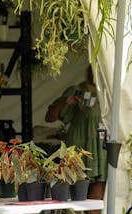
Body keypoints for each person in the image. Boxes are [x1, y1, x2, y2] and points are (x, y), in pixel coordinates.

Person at [45, 66, 106, 201]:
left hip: (100, 152)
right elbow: (50, 117)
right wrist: (65, 102)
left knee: (96, 200)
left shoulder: (109, 92)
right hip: (79, 150)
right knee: (73, 201)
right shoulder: (78, 91)